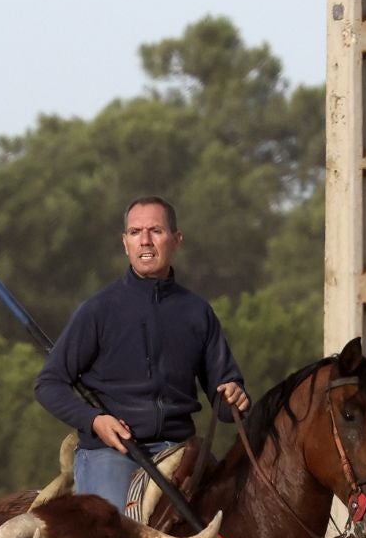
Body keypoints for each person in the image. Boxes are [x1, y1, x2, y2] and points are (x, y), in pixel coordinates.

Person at [35, 196, 250, 514]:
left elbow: (225, 400)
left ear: (176, 240)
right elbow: (48, 384)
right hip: (111, 453)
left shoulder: (198, 312)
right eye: (135, 232)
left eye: (156, 231)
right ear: (125, 243)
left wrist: (236, 398)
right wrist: (95, 421)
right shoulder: (98, 310)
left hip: (180, 450)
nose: (145, 241)